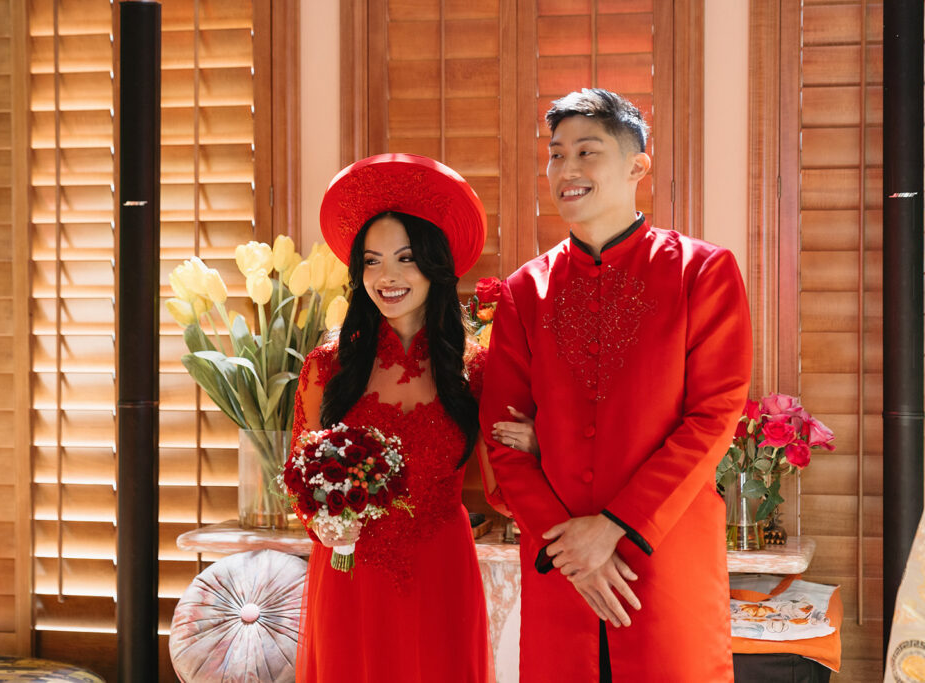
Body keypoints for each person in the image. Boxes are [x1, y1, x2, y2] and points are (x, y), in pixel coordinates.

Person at [480, 89, 753, 682]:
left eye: (587, 151)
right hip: (561, 572)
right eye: (555, 155)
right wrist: (571, 553)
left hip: (662, 563)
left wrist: (612, 528)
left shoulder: (702, 273)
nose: (566, 169)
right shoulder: (525, 291)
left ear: (637, 166)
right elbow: (501, 439)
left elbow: (713, 417)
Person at [291, 153, 494, 683]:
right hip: (348, 574)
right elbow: (299, 488)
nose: (388, 277)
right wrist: (331, 523)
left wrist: (534, 442)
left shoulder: (474, 371)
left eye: (406, 258)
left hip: (442, 573)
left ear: (435, 265)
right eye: (372, 261)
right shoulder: (327, 368)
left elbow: (502, 490)